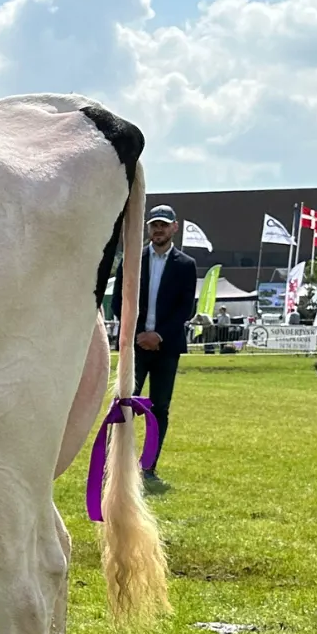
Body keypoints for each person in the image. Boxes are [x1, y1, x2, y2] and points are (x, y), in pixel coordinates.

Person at [118, 203, 198, 490]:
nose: (158, 229)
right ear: (148, 227)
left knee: (160, 408)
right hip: (135, 347)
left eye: (164, 224)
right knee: (124, 406)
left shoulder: (186, 266)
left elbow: (184, 309)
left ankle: (148, 466)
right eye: (154, 224)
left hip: (167, 347)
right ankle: (116, 466)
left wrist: (158, 336)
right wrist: (139, 334)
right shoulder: (132, 260)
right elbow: (119, 303)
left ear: (174, 227)